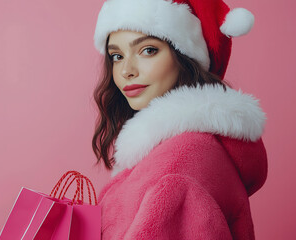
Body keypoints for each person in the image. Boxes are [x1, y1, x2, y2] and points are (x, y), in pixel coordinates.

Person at [91, 0, 268, 239]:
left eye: (148, 50)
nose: (126, 71)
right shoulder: (190, 150)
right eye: (117, 56)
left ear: (184, 56)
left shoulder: (179, 163)